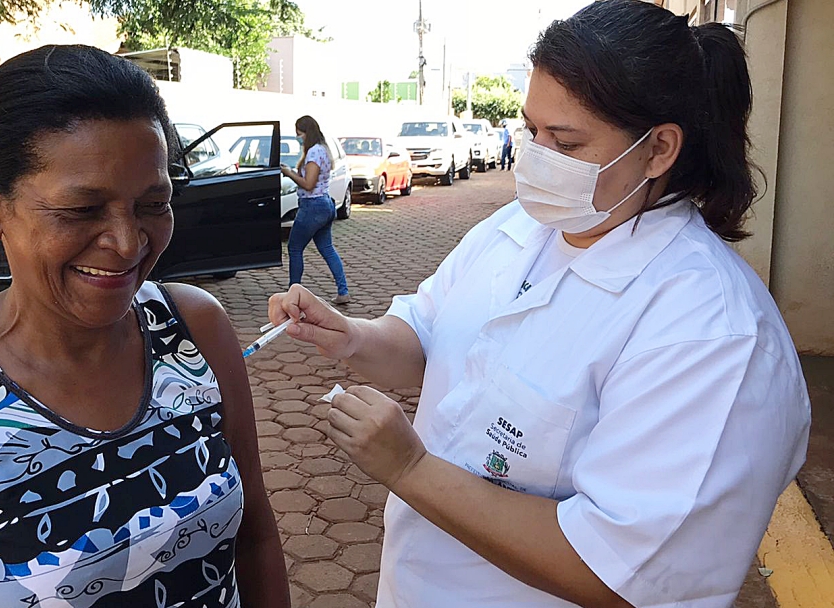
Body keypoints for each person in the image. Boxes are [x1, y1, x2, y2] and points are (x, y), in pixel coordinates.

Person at [267, 2, 810, 606]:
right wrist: (350, 337)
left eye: (565, 141)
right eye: (532, 131)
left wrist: (410, 470)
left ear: (658, 150)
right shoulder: (516, 230)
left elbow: (623, 575)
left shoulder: (711, 335)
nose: (536, 158)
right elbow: (427, 338)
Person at [0, 45, 288, 608]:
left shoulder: (195, 332)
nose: (126, 243)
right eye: (81, 210)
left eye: (153, 203)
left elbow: (255, 540)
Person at [280, 115, 350, 305]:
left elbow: (308, 184)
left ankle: (293, 294)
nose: (298, 138)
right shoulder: (324, 149)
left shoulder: (313, 153)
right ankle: (343, 291)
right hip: (325, 204)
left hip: (312, 206)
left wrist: (289, 173)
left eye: (299, 134)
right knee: (327, 249)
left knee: (294, 248)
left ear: (306, 133)